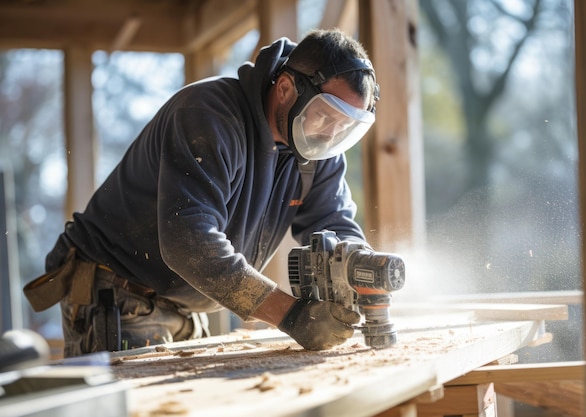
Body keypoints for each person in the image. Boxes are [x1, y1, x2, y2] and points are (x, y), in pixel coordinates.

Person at [23, 28, 380, 357]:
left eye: (345, 126)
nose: (331, 135)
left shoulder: (318, 150)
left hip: (185, 303)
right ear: (286, 89)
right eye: (325, 115)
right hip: (120, 292)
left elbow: (334, 223)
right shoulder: (209, 115)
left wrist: (358, 266)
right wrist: (291, 315)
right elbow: (188, 242)